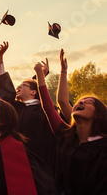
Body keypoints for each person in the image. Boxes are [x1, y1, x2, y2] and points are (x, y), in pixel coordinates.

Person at [35, 52, 107, 194]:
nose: (82, 101)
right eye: (80, 101)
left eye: (89, 102)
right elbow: (51, 108)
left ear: (99, 114)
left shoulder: (103, 147)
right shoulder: (66, 137)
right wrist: (42, 75)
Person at [0, 41, 55, 165]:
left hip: (42, 162)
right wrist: (0, 58)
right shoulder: (15, 108)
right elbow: (3, 92)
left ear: (33, 92)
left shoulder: (45, 110)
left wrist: (40, 76)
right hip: (14, 160)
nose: (17, 88)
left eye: (22, 85)